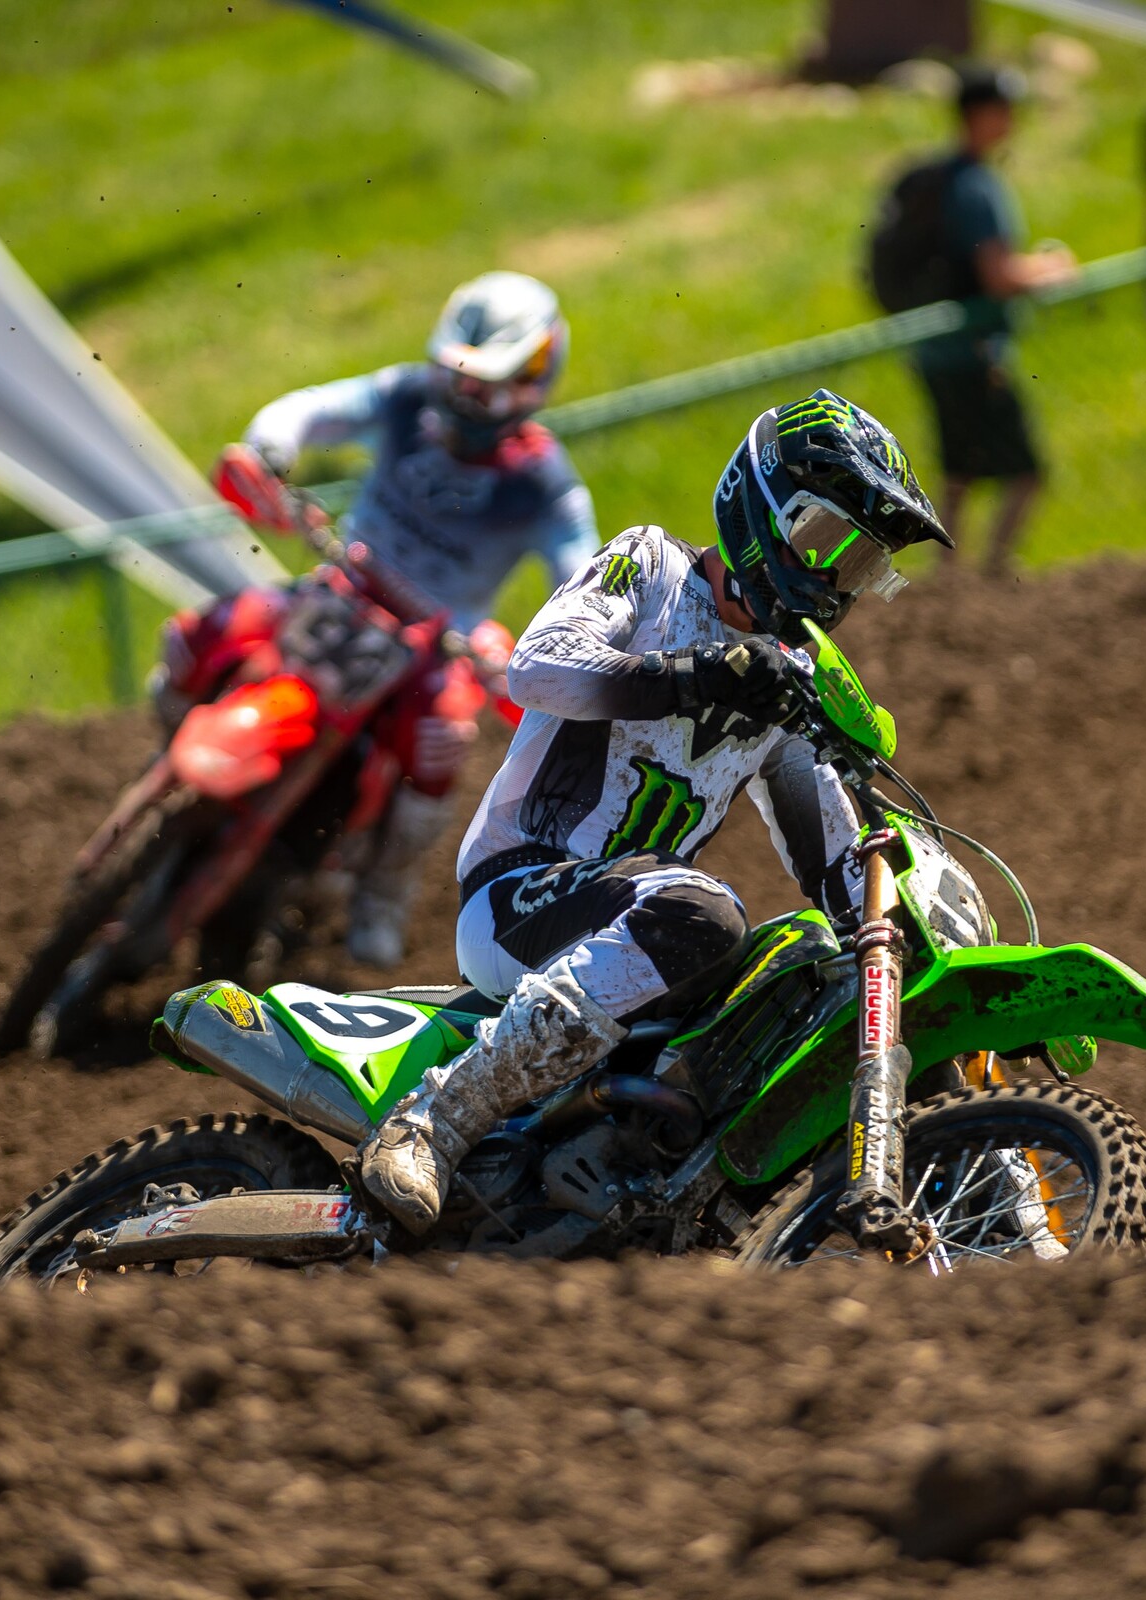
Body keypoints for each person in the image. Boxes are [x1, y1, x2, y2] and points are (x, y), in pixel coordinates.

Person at [355, 388, 951, 1232]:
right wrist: (693, 673)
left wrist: (900, 924)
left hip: (636, 932)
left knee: (828, 967)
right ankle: (435, 1119)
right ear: (762, 503)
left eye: (857, 565)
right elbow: (535, 667)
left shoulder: (788, 678)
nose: (831, 578)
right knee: (707, 911)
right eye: (825, 542)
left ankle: (1042, 1244)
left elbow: (827, 848)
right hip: (521, 892)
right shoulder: (652, 567)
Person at [154, 271, 600, 966]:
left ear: (529, 380)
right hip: (337, 587)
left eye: (480, 383)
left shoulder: (546, 484)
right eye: (454, 373)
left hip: (434, 646)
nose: (461, 394)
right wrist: (269, 451)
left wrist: (547, 640)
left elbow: (584, 576)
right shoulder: (406, 397)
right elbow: (316, 408)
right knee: (199, 637)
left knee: (441, 737)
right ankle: (166, 763)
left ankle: (382, 892)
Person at [903, 64, 1077, 575]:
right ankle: (992, 574)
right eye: (1002, 109)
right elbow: (999, 276)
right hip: (976, 353)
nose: (1011, 119)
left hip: (935, 350)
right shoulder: (977, 185)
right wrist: (1053, 269)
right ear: (978, 115)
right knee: (1025, 473)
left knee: (960, 472)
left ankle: (948, 580)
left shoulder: (942, 177)